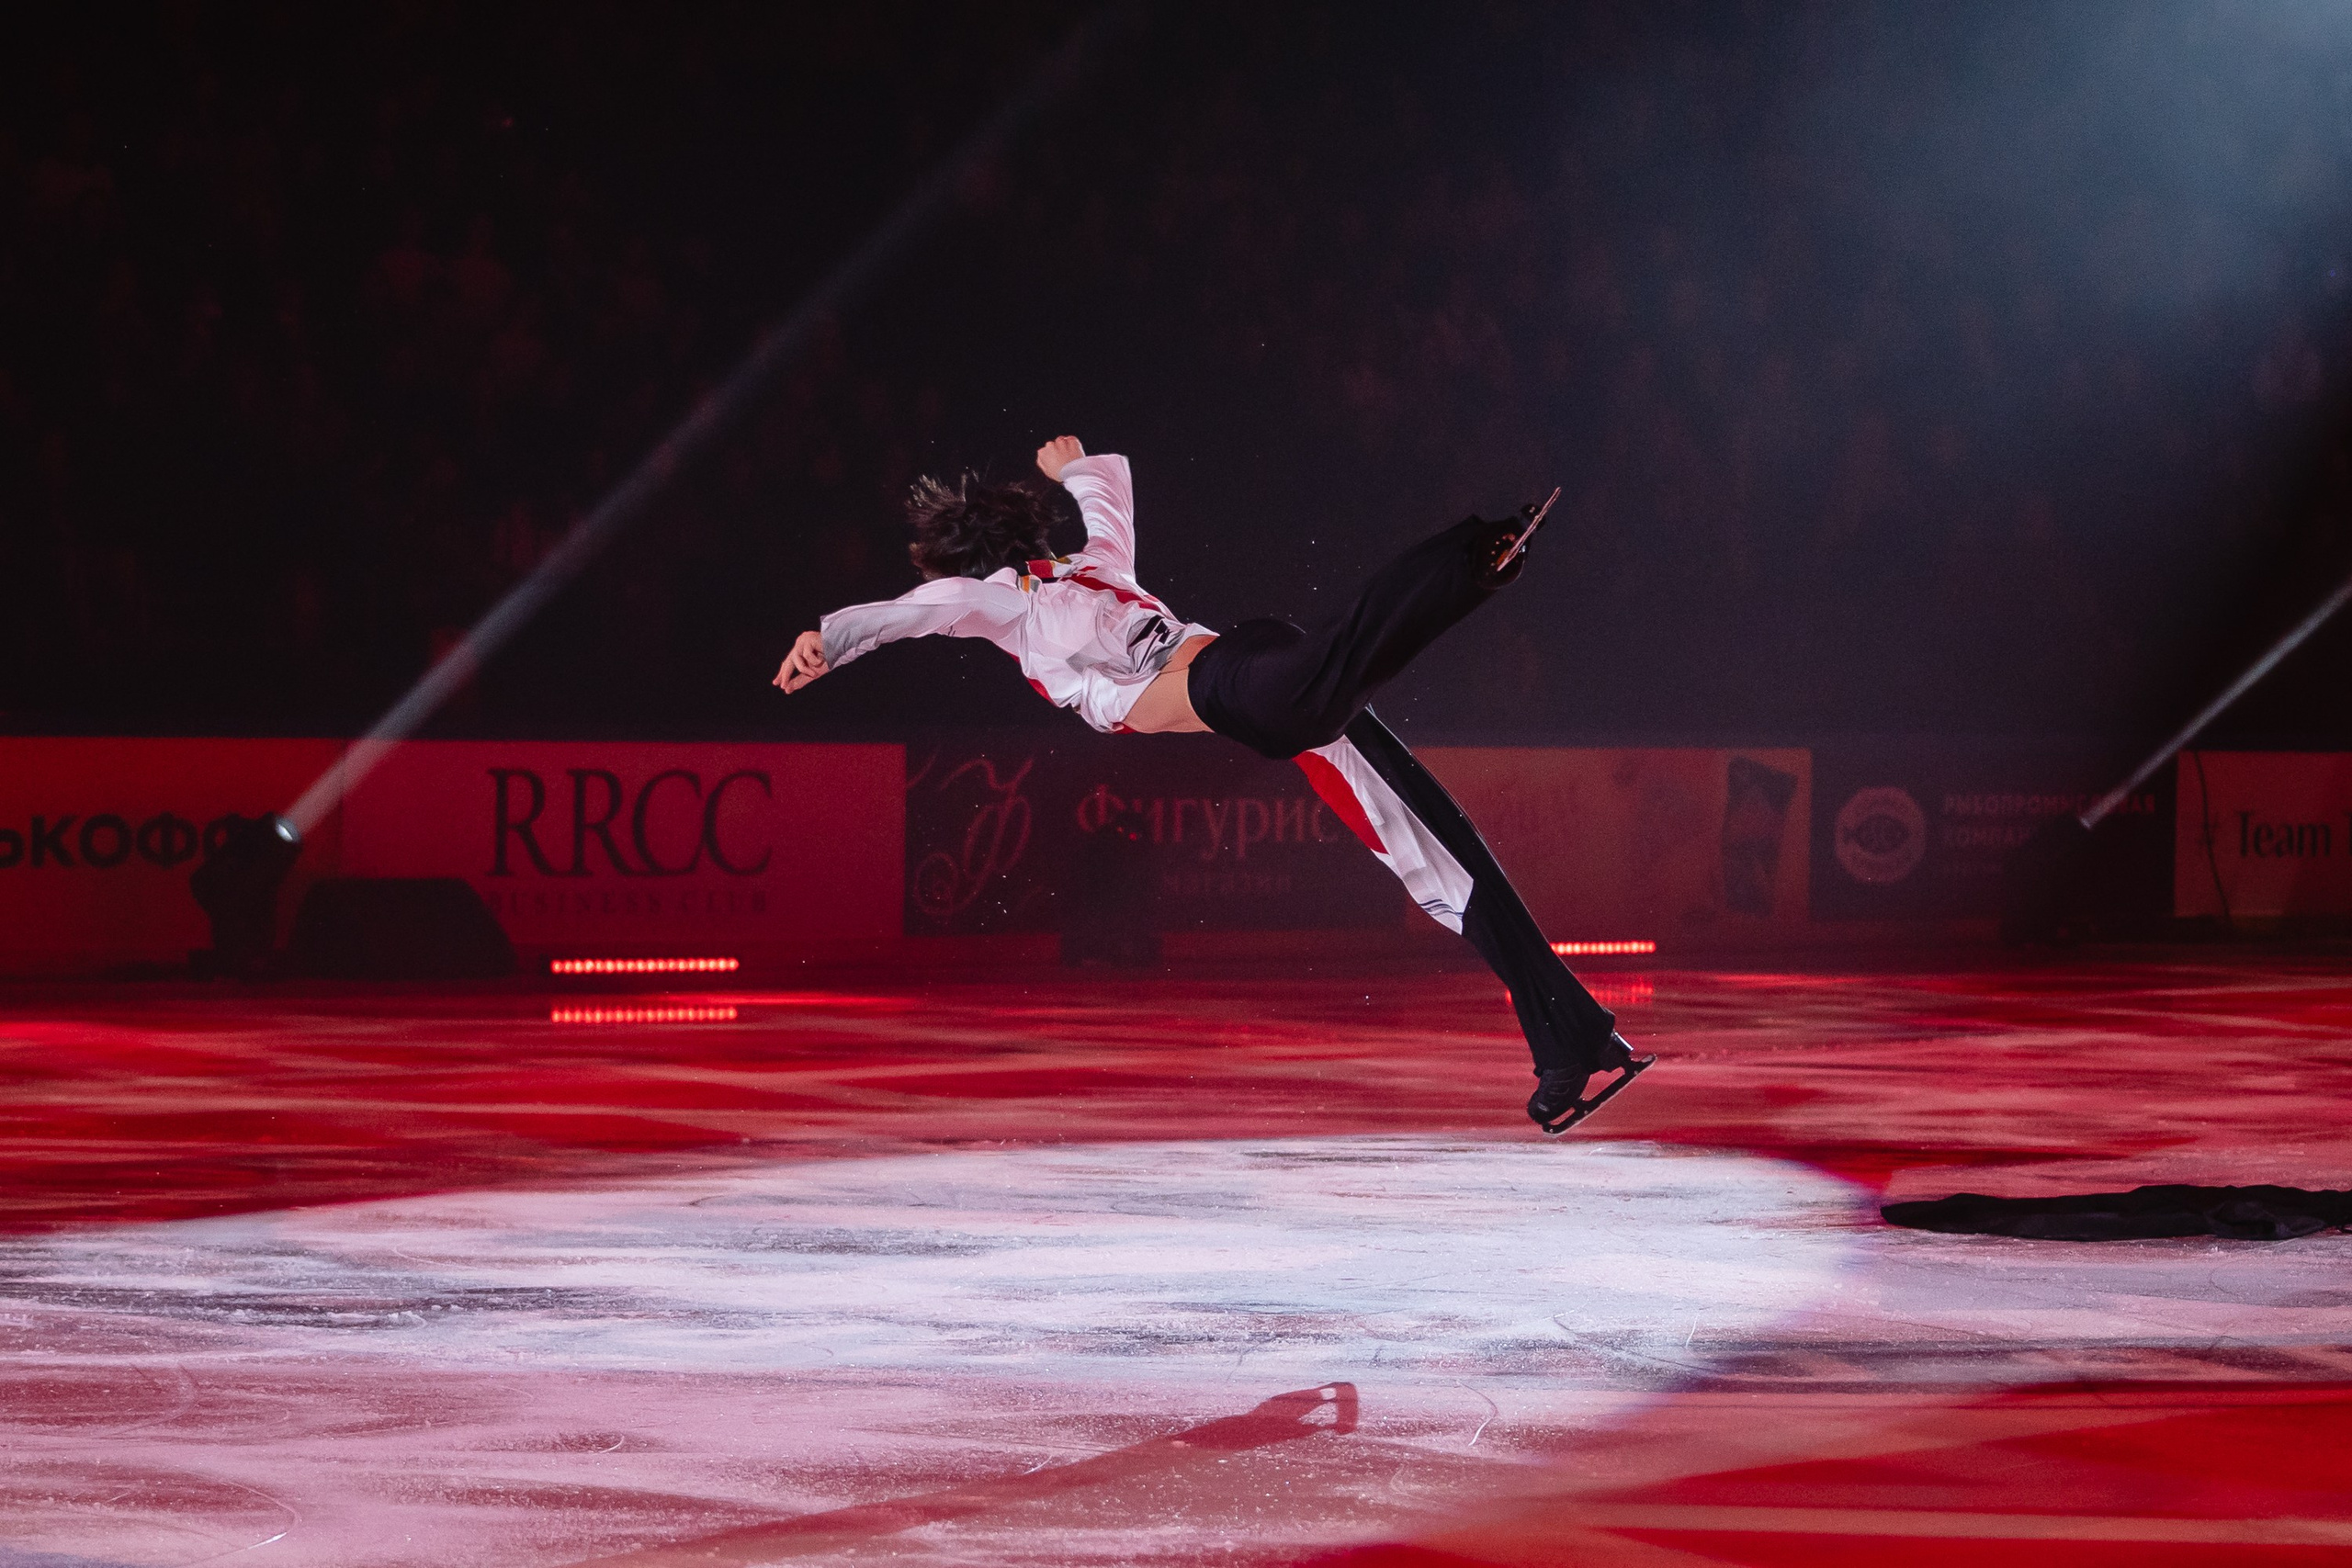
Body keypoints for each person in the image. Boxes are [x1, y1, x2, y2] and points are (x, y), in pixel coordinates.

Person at [775, 436, 1649, 1134]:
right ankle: (1575, 1036)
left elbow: (926, 611)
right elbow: (1111, 485)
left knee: (1348, 675)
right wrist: (1073, 467)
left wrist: (831, 638)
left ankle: (1472, 559)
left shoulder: (1010, 601)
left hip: (1239, 690)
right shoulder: (1096, 564)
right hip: (1255, 674)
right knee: (1443, 867)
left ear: (967, 562)